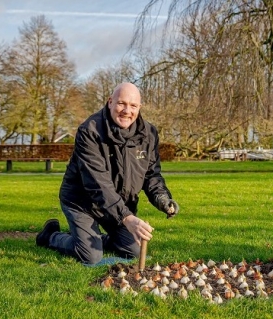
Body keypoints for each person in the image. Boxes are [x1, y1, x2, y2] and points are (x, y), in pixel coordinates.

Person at [36, 82, 179, 265]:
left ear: (139, 107)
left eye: (133, 105)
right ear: (110, 102)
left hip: (117, 204)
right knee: (91, 256)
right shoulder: (90, 131)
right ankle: (51, 236)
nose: (127, 110)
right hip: (82, 201)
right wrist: (127, 218)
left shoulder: (148, 134)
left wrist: (162, 199)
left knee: (134, 251)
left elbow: (151, 174)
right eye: (121, 103)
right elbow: (98, 184)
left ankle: (94, 240)